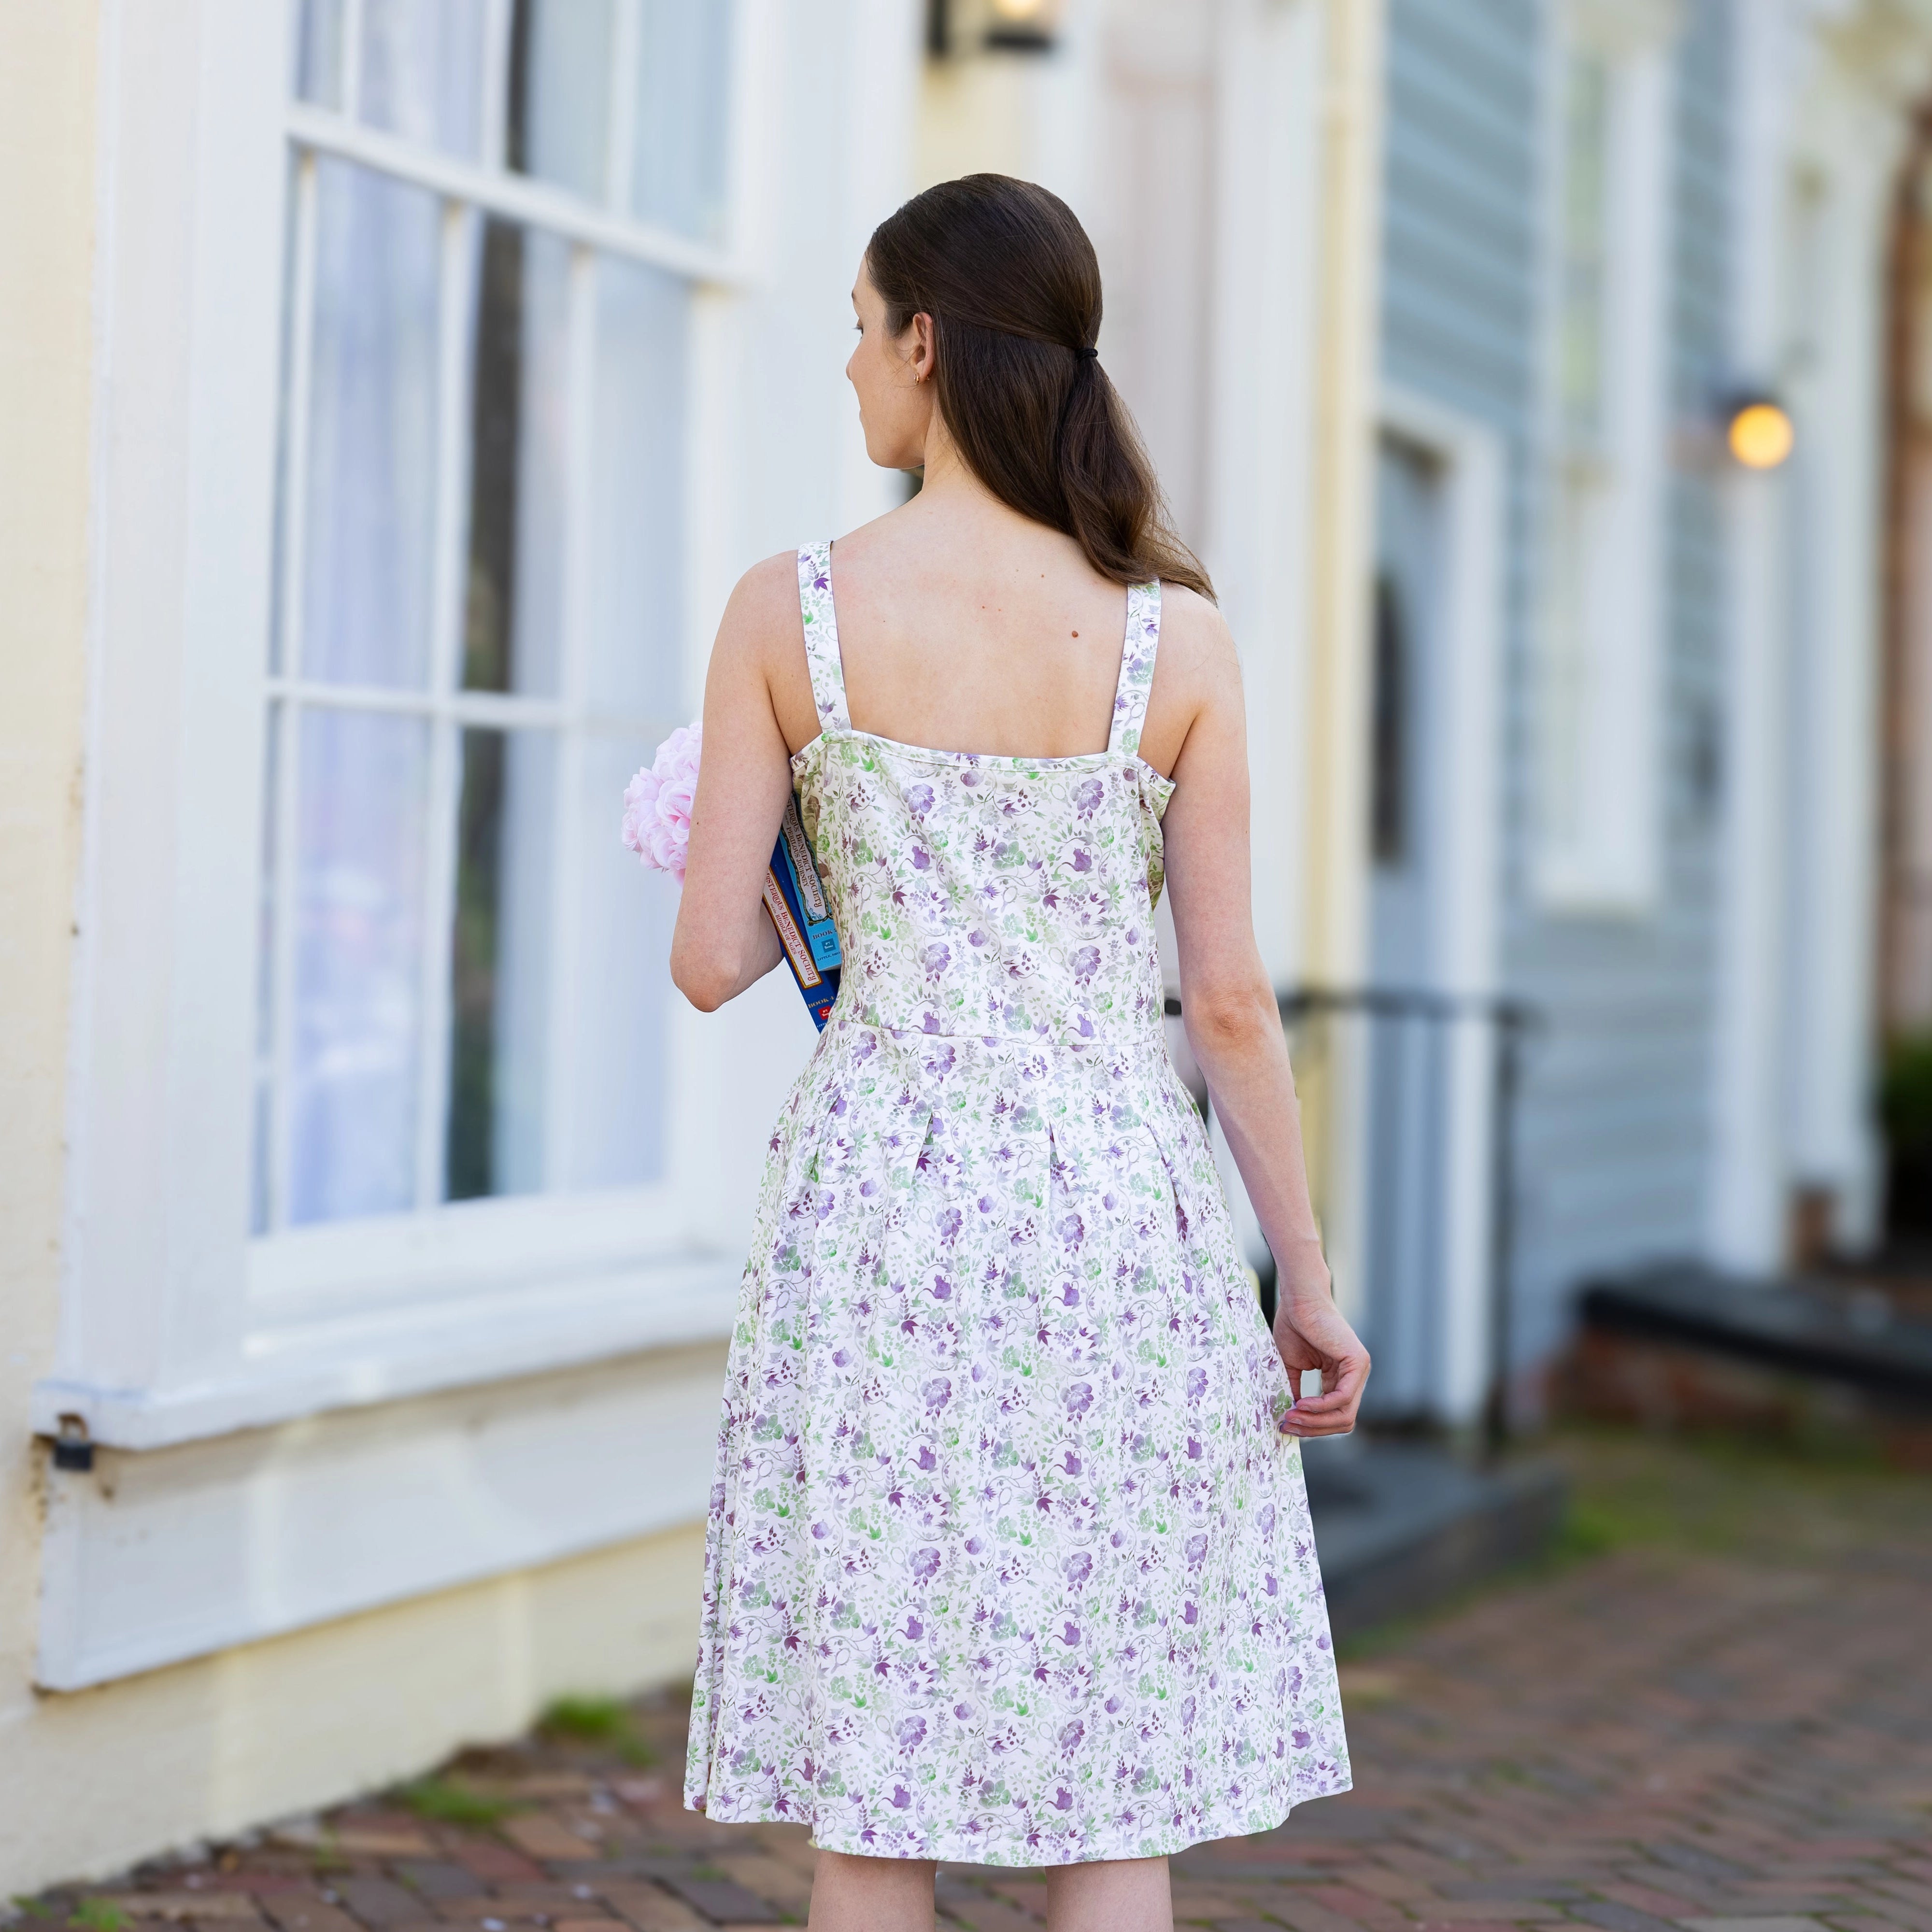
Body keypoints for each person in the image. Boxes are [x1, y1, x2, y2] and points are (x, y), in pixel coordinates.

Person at [670, 174, 1367, 1932]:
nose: (844, 368)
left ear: (924, 340)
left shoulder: (793, 611)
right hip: (1118, 1225)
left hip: (880, 1215)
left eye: (855, 326)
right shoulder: (1173, 638)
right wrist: (1305, 1273)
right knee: (1108, 1797)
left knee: (872, 1807)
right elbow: (1225, 1005)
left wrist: (765, 848)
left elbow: (708, 963)